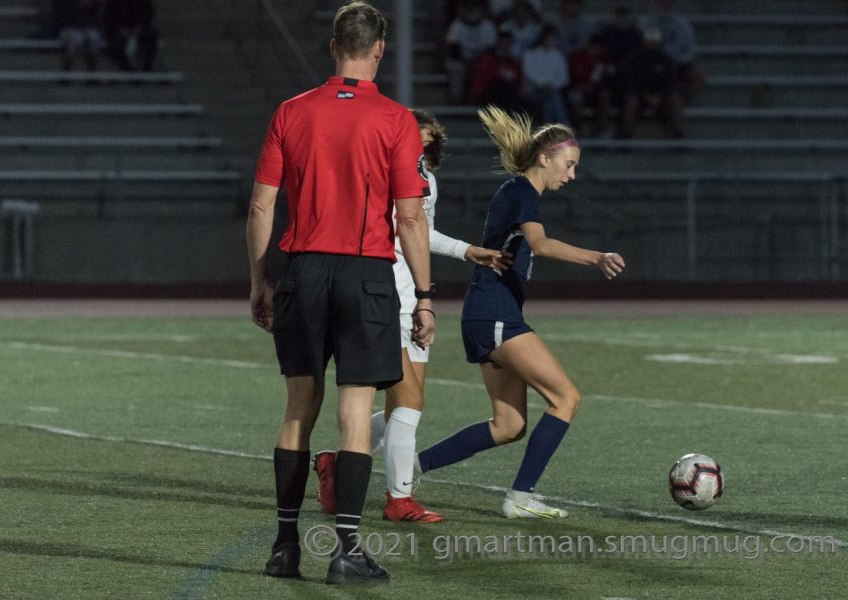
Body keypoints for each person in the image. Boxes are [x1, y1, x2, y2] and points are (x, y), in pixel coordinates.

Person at [246, 1, 434, 585]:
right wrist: (425, 295)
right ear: (379, 49)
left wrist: (260, 279)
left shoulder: (291, 111)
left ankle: (284, 547)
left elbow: (260, 206)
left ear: (333, 46)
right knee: (356, 412)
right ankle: (345, 551)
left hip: (302, 269)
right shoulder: (397, 119)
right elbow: (409, 218)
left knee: (298, 408)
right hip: (365, 275)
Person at [413, 105, 625, 519]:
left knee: (508, 425)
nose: (572, 174)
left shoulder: (517, 192)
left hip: (487, 313)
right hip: (495, 314)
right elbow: (541, 244)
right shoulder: (521, 192)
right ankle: (521, 496)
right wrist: (596, 257)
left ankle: (410, 468)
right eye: (569, 165)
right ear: (545, 157)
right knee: (566, 398)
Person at [314, 109, 507, 523]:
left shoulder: (424, 180)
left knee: (407, 403)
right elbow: (399, 224)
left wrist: (465, 251)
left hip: (407, 294)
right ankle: (398, 498)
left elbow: (419, 228)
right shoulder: (378, 171)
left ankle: (338, 461)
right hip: (382, 293)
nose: (422, 146)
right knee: (409, 400)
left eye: (428, 141)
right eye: (415, 137)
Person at [616, 27, 685, 138]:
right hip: (639, 95)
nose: (652, 45)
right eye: (650, 42)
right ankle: (626, 133)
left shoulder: (666, 59)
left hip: (660, 96)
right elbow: (629, 80)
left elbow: (671, 81)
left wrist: (660, 95)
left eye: (655, 42)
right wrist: (645, 95)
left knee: (676, 99)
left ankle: (679, 133)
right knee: (631, 100)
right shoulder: (634, 58)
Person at [639, 0, 705, 103]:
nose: (665, 4)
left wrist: (679, 60)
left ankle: (680, 103)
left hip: (677, 64)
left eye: (668, 2)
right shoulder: (646, 22)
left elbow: (690, 51)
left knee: (698, 75)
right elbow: (640, 47)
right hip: (652, 65)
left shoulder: (682, 24)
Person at [444, 2, 497, 103]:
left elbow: (490, 51)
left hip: (482, 61)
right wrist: (467, 62)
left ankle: (483, 99)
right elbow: (453, 50)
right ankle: (456, 100)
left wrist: (477, 61)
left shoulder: (488, 27)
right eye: (469, 8)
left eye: (476, 8)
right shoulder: (457, 26)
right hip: (461, 60)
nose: (473, 12)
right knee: (456, 68)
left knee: (486, 66)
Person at [467, 30, 528, 114]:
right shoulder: (488, 60)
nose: (506, 45)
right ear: (498, 43)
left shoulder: (514, 63)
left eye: (508, 43)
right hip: (489, 93)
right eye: (504, 42)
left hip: (509, 94)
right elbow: (483, 80)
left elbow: (519, 81)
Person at [521, 26, 571, 125]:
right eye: (550, 38)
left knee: (551, 97)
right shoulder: (531, 54)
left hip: (553, 88)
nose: (553, 41)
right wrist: (543, 83)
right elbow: (528, 72)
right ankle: (563, 125)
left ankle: (550, 127)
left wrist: (553, 85)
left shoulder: (559, 55)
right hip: (534, 87)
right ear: (543, 39)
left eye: (554, 38)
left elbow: (564, 77)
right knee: (552, 97)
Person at [102, 0, 159, 71]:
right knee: (114, 49)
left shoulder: (143, 2)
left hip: (140, 33)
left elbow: (148, 15)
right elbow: (108, 18)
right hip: (119, 34)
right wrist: (119, 29)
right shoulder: (113, 3)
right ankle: (129, 71)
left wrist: (140, 27)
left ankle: (146, 68)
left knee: (151, 38)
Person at [57, 0, 105, 71]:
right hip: (71, 28)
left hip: (88, 28)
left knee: (93, 38)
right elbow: (63, 16)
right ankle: (66, 70)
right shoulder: (67, 3)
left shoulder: (95, 4)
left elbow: (96, 17)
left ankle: (92, 72)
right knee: (75, 39)